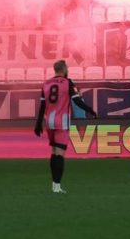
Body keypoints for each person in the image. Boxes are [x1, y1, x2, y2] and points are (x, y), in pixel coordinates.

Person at [33, 59, 96, 194]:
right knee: (60, 155)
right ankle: (57, 186)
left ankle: (54, 184)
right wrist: (90, 110)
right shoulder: (67, 82)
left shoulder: (46, 83)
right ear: (63, 69)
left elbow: (42, 106)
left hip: (49, 122)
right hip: (62, 122)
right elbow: (77, 101)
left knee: (53, 152)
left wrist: (38, 124)